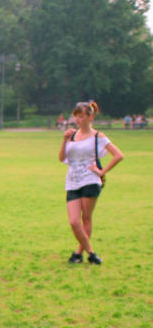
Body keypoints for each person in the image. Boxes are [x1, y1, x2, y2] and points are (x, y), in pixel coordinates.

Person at [59, 100, 123, 265]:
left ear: (90, 116)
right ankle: (91, 253)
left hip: (90, 181)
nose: (78, 120)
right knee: (74, 221)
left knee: (86, 218)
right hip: (72, 181)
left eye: (81, 116)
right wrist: (64, 140)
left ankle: (79, 254)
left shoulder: (98, 137)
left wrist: (102, 172)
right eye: (76, 116)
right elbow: (61, 158)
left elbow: (118, 155)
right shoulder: (72, 135)